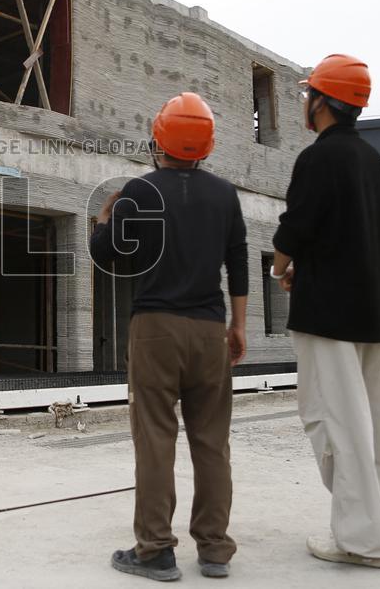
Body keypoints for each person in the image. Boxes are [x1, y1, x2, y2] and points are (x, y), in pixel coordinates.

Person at [90, 92, 248, 582]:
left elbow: (107, 254)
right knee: (211, 441)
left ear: (158, 138)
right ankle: (215, 549)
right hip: (209, 330)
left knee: (156, 438)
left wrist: (104, 220)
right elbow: (239, 263)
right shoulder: (225, 195)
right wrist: (238, 326)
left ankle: (155, 550)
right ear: (207, 145)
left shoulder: (139, 191)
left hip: (155, 329)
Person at [271, 53, 380, 569]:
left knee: (334, 420)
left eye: (309, 95)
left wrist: (281, 269)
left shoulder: (319, 158)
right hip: (376, 310)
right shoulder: (371, 159)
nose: (306, 102)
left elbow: (295, 229)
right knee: (373, 424)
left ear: (322, 103)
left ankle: (361, 541)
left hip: (329, 313)